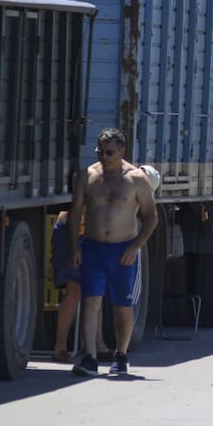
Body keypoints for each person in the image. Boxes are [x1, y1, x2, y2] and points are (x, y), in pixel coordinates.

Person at [69, 128, 158, 377]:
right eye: (99, 151)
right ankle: (90, 356)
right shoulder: (87, 176)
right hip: (93, 248)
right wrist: (74, 246)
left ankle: (121, 354)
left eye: (109, 152)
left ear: (122, 151)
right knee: (91, 302)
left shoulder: (136, 179)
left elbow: (151, 217)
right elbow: (75, 213)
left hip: (122, 251)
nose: (104, 157)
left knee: (122, 306)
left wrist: (135, 246)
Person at [50, 211, 110, 363]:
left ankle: (98, 345)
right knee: (74, 290)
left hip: (92, 235)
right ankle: (60, 347)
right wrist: (74, 246)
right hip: (72, 232)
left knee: (95, 292)